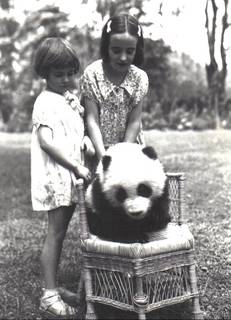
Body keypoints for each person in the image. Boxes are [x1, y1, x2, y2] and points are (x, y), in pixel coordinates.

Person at [31, 37, 91, 318]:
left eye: (70, 72)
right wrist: (76, 167)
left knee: (61, 232)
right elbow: (47, 142)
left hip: (68, 175)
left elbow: (71, 134)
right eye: (59, 74)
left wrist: (86, 143)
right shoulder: (45, 102)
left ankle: (54, 286)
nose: (67, 79)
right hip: (57, 176)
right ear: (44, 73)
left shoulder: (65, 99)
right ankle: (49, 294)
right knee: (55, 234)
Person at [80, 13, 149, 165]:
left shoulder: (139, 78)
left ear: (137, 49)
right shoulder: (92, 74)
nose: (123, 57)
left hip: (128, 148)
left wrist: (122, 156)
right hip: (96, 148)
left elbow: (134, 122)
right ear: (106, 47)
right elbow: (92, 120)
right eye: (116, 51)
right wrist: (104, 159)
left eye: (130, 51)